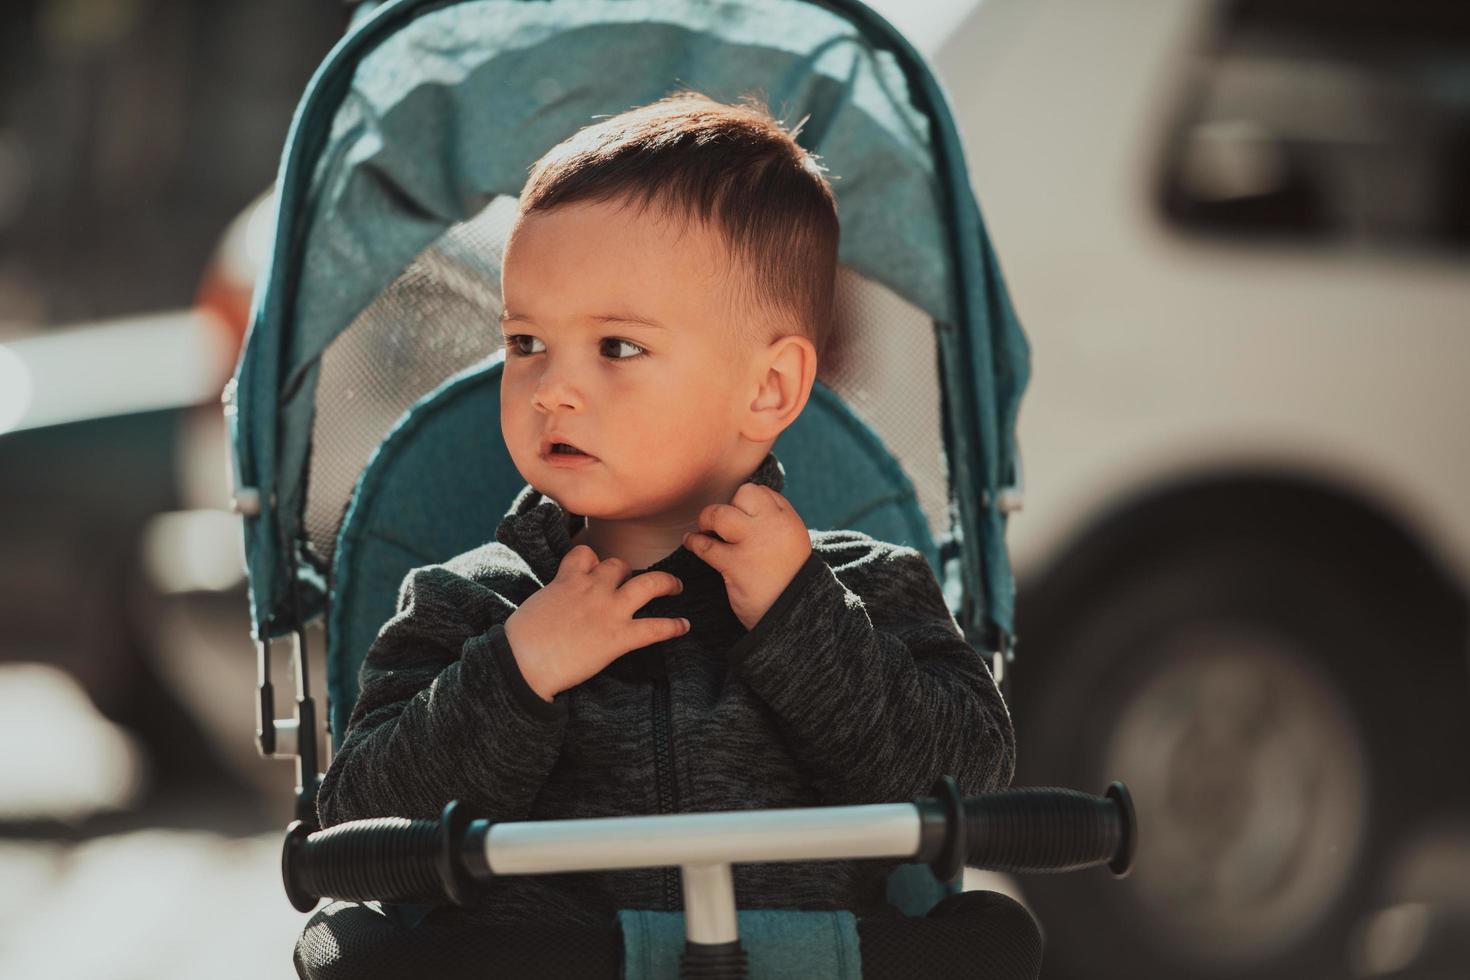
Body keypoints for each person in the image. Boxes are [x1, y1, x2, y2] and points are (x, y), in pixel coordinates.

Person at [314, 92, 1019, 933]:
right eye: (525, 343)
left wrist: (803, 621)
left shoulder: (868, 589)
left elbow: (967, 788)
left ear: (769, 388)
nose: (554, 388)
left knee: (988, 936)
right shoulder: (470, 606)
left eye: (617, 347)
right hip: (551, 964)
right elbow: (358, 821)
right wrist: (518, 668)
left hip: (801, 960)